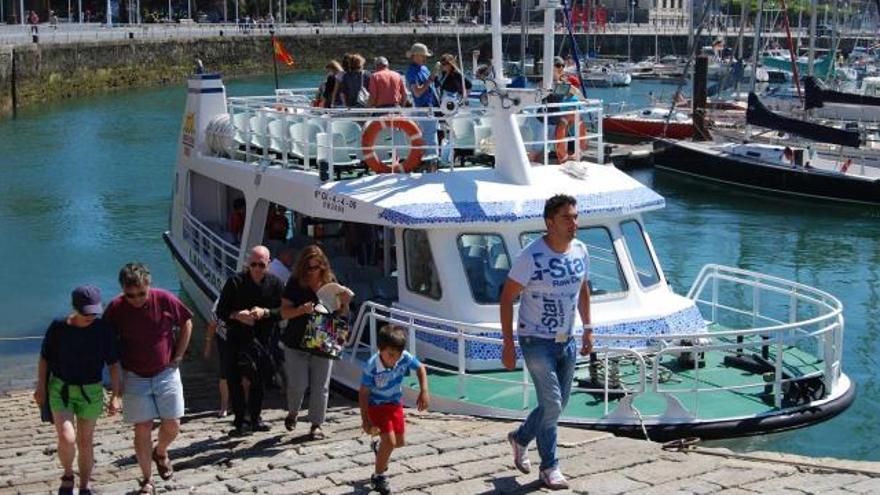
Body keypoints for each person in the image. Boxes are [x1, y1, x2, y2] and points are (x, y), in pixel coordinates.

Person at [500, 194, 592, 490]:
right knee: (552, 404)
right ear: (549, 222)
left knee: (558, 404)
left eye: (575, 217)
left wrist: (588, 329)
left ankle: (521, 437)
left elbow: (583, 289)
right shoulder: (531, 257)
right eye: (567, 218)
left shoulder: (580, 250)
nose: (574, 223)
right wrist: (508, 344)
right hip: (535, 339)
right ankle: (550, 467)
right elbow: (506, 298)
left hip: (568, 341)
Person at [103, 264, 193, 495]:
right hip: (134, 375)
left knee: (172, 424)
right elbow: (106, 343)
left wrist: (180, 354)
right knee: (142, 427)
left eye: (141, 293)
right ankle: (147, 480)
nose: (136, 299)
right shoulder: (115, 308)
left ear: (148, 286)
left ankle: (161, 451)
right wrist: (116, 387)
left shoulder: (164, 299)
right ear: (123, 290)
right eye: (130, 295)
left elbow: (186, 322)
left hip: (166, 371)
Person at [34, 285, 122, 495]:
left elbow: (113, 364)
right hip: (60, 388)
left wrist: (116, 395)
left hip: (91, 391)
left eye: (94, 312)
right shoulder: (58, 327)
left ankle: (84, 485)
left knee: (85, 441)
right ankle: (67, 474)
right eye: (86, 312)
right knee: (66, 437)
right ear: (74, 308)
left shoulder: (103, 329)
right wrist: (40, 387)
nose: (91, 316)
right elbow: (44, 359)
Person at [279, 245, 351, 439]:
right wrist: (301, 310)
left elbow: (341, 313)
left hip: (324, 334)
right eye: (308, 268)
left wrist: (345, 303)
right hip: (296, 338)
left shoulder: (331, 282)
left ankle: (316, 424)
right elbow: (284, 312)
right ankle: (293, 412)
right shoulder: (295, 282)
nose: (312, 271)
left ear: (323, 266)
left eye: (316, 267)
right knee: (298, 384)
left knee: (321, 385)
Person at [216, 246, 284, 436]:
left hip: (262, 339)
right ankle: (240, 421)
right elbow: (221, 311)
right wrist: (238, 315)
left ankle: (255, 418)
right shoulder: (235, 282)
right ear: (247, 263)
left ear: (268, 264)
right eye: (253, 264)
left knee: (259, 380)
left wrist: (265, 312)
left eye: (261, 265)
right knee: (235, 379)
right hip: (236, 337)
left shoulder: (276, 284)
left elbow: (283, 311)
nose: (257, 269)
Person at [359, 325, 429, 495]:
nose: (394, 360)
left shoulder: (403, 357)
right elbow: (363, 392)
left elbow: (420, 368)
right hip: (376, 406)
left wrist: (424, 391)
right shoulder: (371, 366)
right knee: (390, 442)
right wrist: (365, 419)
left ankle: (379, 447)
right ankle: (378, 476)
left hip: (395, 404)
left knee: (399, 442)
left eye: (397, 355)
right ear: (380, 349)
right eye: (390, 355)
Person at [405, 43, 439, 157]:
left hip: (430, 107)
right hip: (423, 108)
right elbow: (417, 93)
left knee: (430, 136)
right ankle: (431, 162)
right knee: (429, 137)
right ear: (416, 56)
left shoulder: (423, 68)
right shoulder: (412, 71)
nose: (425, 58)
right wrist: (430, 79)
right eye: (423, 56)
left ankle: (431, 162)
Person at [202, 299, 230, 418]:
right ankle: (224, 405)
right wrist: (208, 346)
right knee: (224, 374)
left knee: (245, 373)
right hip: (224, 338)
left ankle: (244, 403)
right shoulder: (220, 302)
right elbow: (212, 325)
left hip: (243, 337)